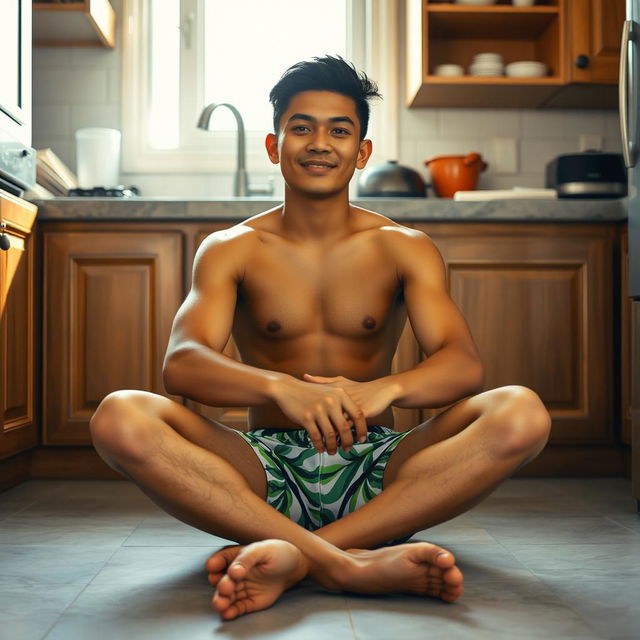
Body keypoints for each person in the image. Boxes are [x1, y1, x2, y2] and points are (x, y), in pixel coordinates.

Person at [89, 55, 551, 621]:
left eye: (339, 130)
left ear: (361, 153)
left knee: (522, 412)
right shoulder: (231, 248)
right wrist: (281, 388)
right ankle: (347, 563)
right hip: (262, 471)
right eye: (301, 127)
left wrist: (381, 392)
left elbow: (462, 366)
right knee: (118, 416)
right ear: (272, 145)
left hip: (382, 470)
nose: (318, 143)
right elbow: (183, 364)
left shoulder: (403, 246)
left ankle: (296, 555)